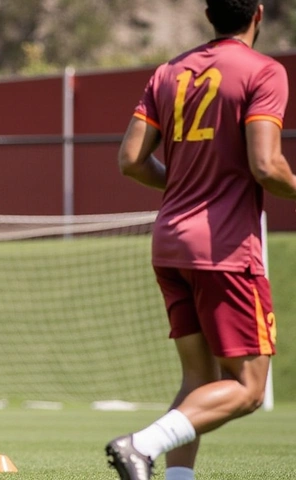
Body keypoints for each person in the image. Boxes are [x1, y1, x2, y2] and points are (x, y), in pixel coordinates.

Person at [104, 1, 296, 480]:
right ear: (259, 13)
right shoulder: (263, 72)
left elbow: (130, 160)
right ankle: (139, 445)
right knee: (249, 388)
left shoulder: (169, 72)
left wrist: (188, 184)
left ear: (209, 14)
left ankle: (175, 478)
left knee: (199, 377)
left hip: (169, 243)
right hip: (224, 249)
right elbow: (267, 165)